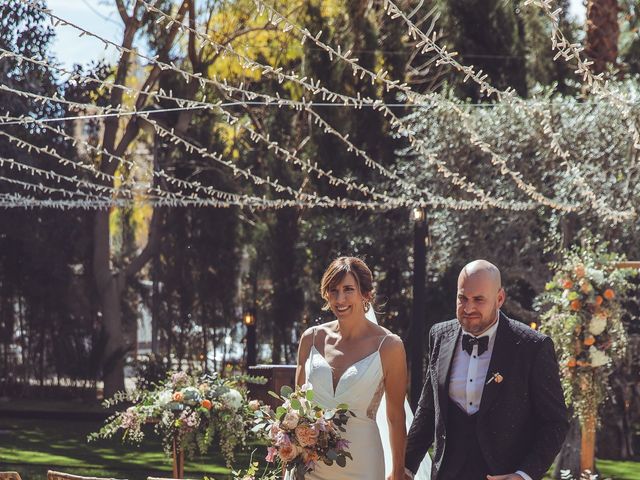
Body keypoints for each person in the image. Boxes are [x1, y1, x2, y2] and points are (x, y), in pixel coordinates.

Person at [404, 260, 569, 480]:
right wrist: (406, 468)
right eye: (462, 298)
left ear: (499, 298)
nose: (469, 308)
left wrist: (524, 475)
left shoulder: (532, 347)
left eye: (479, 300)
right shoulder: (440, 336)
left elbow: (555, 422)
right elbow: (428, 409)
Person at [294, 256, 430, 479]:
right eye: (333, 290)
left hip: (363, 463)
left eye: (348, 289)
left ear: (365, 294)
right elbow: (296, 409)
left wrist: (397, 472)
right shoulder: (311, 339)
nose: (340, 299)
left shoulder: (390, 346)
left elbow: (396, 418)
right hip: (310, 465)